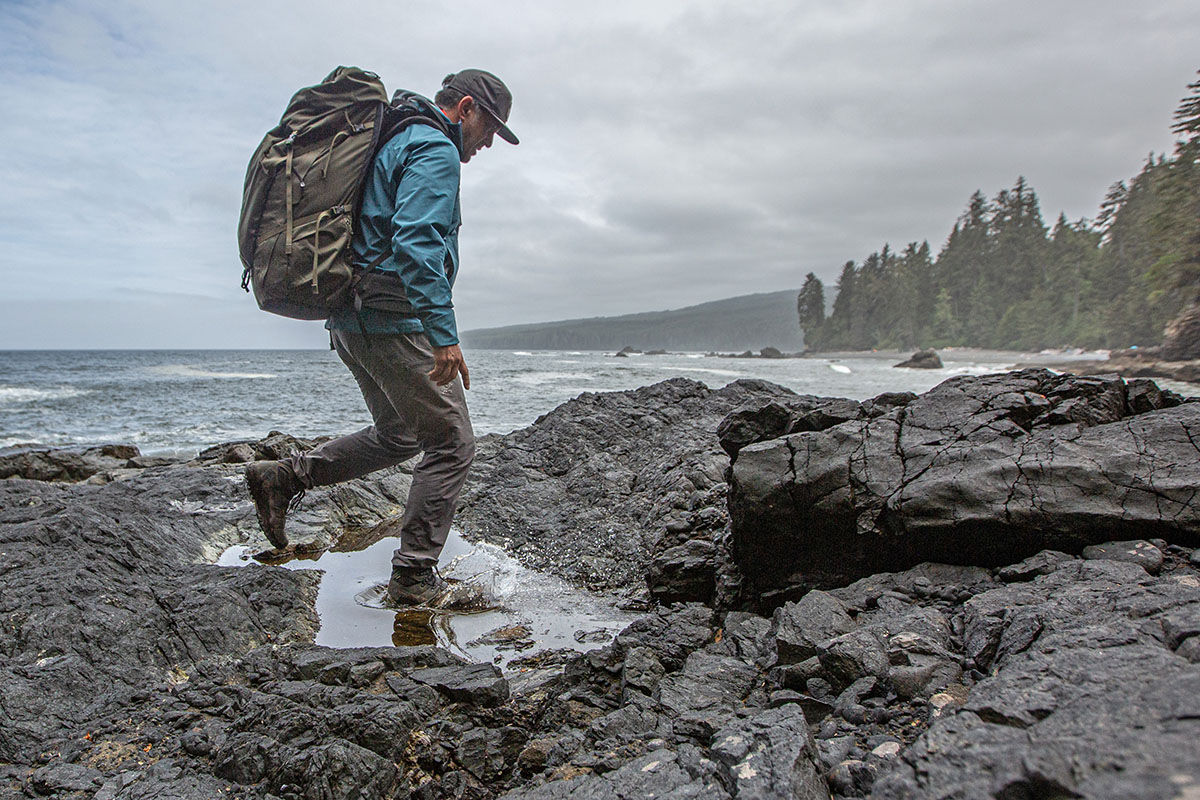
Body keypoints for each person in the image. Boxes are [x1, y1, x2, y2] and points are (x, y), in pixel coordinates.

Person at [245, 69, 518, 606]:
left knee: (399, 434)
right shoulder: (434, 148)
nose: (488, 142)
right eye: (489, 127)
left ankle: (285, 477)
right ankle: (413, 577)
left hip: (351, 321)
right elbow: (416, 241)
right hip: (393, 321)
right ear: (465, 108)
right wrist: (442, 334)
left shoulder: (393, 138)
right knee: (452, 444)